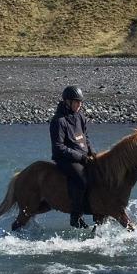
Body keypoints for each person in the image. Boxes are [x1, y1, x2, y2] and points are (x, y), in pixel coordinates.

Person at [50, 85, 94, 228]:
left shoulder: (80, 116)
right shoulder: (58, 121)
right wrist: (81, 158)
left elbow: (85, 138)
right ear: (67, 102)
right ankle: (76, 216)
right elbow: (59, 147)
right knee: (81, 179)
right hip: (64, 159)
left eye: (80, 102)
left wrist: (92, 152)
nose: (79, 105)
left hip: (82, 156)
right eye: (76, 102)